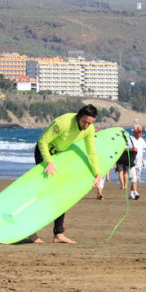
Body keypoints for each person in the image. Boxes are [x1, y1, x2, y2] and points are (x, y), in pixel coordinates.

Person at [32, 104, 102, 243]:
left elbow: (91, 152)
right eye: (84, 122)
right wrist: (49, 162)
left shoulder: (89, 128)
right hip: (44, 154)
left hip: (59, 155)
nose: (87, 125)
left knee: (61, 194)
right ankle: (31, 232)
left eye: (90, 123)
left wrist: (98, 173)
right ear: (78, 117)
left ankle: (58, 234)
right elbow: (43, 141)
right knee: (43, 193)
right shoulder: (63, 123)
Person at [126, 126, 146, 200]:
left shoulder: (142, 140)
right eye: (139, 131)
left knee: (135, 178)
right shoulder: (129, 139)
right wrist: (130, 149)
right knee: (133, 178)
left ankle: (131, 194)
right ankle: (135, 192)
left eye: (141, 131)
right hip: (131, 162)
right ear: (135, 132)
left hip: (139, 163)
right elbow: (123, 149)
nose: (141, 133)